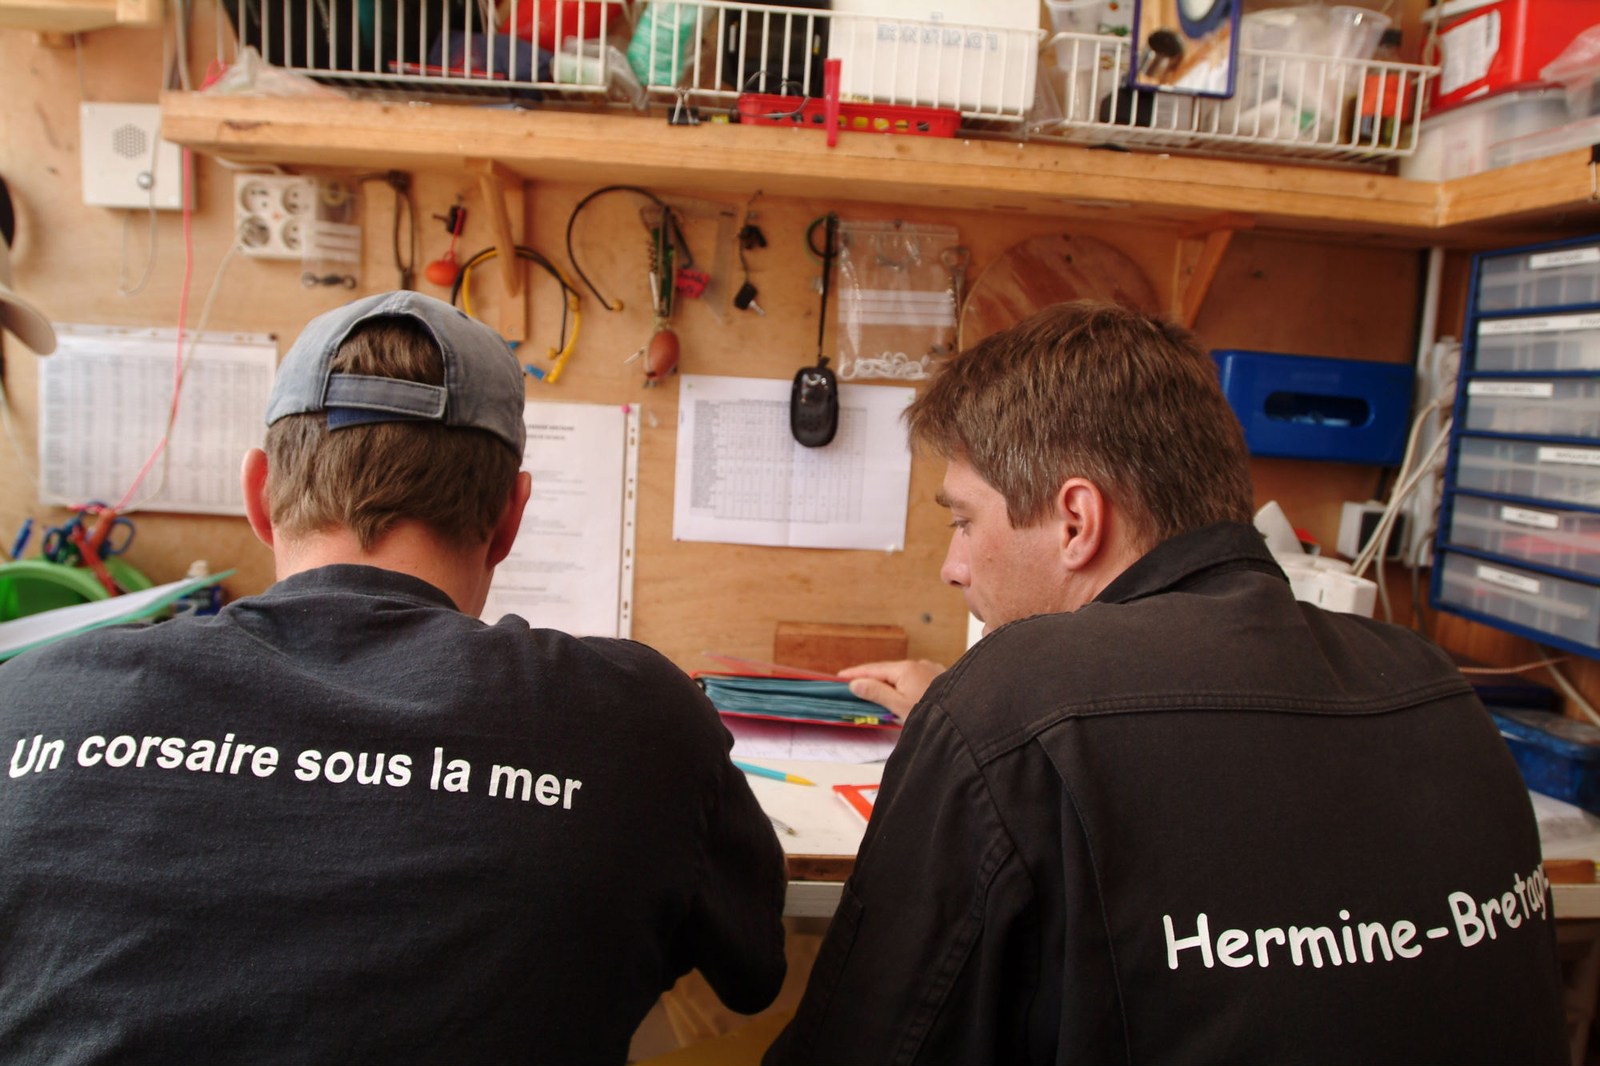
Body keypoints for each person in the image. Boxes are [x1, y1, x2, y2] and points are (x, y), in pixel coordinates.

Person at [766, 301, 1566, 1064]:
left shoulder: (1009, 703)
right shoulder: (1428, 677)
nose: (954, 566)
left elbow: (864, 1047)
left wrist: (973, 724)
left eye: (964, 521)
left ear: (1077, 521)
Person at [0, 292, 786, 1063]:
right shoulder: (640, 723)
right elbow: (753, 972)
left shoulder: (31, 704)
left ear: (260, 496)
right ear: (511, 518)